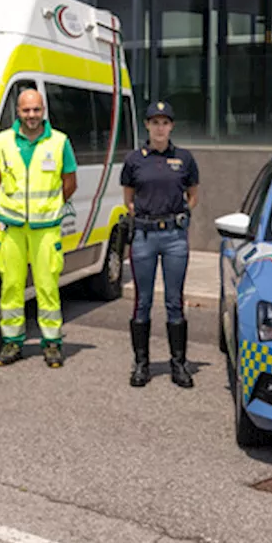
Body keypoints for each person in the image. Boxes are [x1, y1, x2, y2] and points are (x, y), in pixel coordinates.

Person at [0, 88, 78, 368]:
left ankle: (52, 343)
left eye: (36, 110)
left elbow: (69, 182)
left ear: (43, 111)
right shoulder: (2, 142)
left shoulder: (60, 142)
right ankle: (12, 342)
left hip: (46, 227)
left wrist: (49, 207)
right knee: (11, 286)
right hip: (12, 227)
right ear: (18, 112)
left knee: (47, 286)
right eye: (26, 110)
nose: (31, 115)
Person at [120, 101, 200, 388]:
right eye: (155, 122)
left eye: (165, 122)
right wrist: (141, 216)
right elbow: (128, 198)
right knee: (142, 303)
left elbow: (193, 195)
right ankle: (141, 364)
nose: (160, 128)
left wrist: (182, 214)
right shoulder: (134, 159)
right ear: (147, 125)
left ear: (171, 126)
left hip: (174, 239)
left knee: (174, 301)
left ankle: (178, 364)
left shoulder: (185, 158)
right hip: (144, 237)